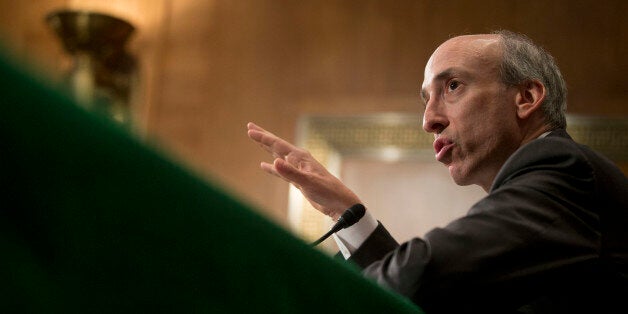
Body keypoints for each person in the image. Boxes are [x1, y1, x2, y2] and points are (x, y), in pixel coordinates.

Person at [247, 30, 628, 313]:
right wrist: (346, 214)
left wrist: (293, 296)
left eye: (453, 86)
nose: (429, 119)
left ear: (525, 98)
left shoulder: (562, 170)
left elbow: (419, 279)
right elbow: (430, 298)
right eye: (427, 99)